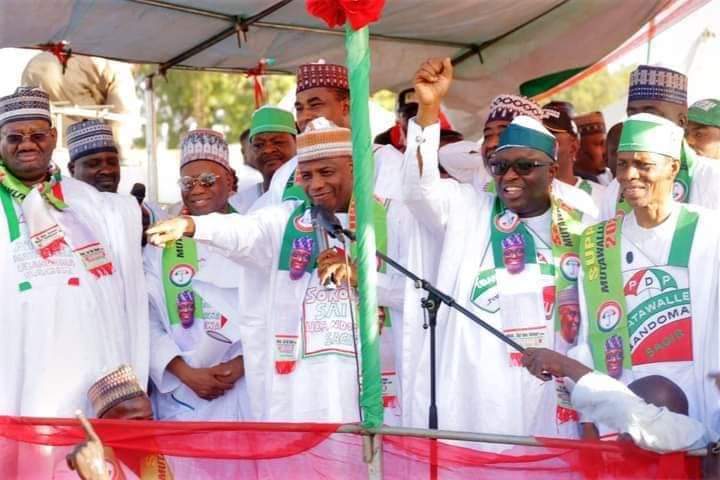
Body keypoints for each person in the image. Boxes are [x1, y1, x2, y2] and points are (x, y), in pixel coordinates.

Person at [147, 118, 405, 423]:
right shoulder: (285, 221)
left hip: (373, 385)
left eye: (326, 172)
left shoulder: (393, 218)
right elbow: (246, 231)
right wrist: (193, 225)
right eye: (306, 176)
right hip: (305, 392)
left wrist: (363, 277)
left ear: (353, 168)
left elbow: (412, 295)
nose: (316, 185)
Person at [398, 58, 597, 440]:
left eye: (525, 166)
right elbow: (417, 189)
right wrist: (427, 109)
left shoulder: (581, 220)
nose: (509, 177)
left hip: (551, 390)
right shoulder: (467, 207)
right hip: (480, 391)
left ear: (552, 170)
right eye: (500, 165)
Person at [0, 87, 148, 417]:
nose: (27, 144)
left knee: (85, 463)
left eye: (37, 134)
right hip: (16, 361)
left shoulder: (87, 200)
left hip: (89, 364)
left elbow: (125, 225)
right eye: (14, 137)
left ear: (53, 137)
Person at [572, 113, 720, 443]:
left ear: (672, 167)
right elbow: (586, 336)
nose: (628, 175)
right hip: (623, 411)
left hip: (702, 407)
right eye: (622, 164)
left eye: (643, 164)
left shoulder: (709, 230)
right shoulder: (598, 240)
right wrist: (587, 417)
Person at [145, 129, 250, 421]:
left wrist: (243, 364)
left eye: (207, 180)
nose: (197, 189)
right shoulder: (160, 243)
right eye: (188, 182)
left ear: (229, 180)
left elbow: (276, 311)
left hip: (245, 386)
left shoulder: (253, 235)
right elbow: (148, 320)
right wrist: (185, 372)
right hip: (184, 396)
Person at [521, 348, 709, 453]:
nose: (620, 438)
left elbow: (635, 416)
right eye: (622, 430)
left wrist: (562, 364)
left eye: (627, 431)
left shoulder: (701, 443)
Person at [601, 65, 720, 218]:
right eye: (632, 114)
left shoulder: (713, 177)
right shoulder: (617, 188)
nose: (639, 122)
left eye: (651, 114)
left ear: (681, 121)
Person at [62, 366, 173, 480]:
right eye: (136, 421)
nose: (146, 430)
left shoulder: (160, 459)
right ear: (108, 427)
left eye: (149, 420)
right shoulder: (80, 463)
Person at [22, 52, 140, 158]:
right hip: (82, 150)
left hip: (41, 151)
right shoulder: (118, 65)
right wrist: (119, 156)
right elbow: (121, 115)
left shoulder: (35, 62)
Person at [230, 106, 297, 214]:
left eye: (278, 142)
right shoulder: (239, 203)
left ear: (297, 143)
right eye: (259, 145)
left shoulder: (311, 192)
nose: (268, 150)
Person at [543, 102, 606, 207]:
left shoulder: (602, 196)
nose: (539, 143)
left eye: (548, 136)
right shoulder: (524, 200)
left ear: (573, 146)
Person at [66, 119, 121, 193]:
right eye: (93, 164)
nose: (107, 171)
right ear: (72, 169)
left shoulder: (128, 203)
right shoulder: (62, 203)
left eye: (112, 163)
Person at [574, 111, 612, 185]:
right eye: (598, 144)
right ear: (577, 151)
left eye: (605, 143)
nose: (605, 151)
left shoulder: (611, 177)